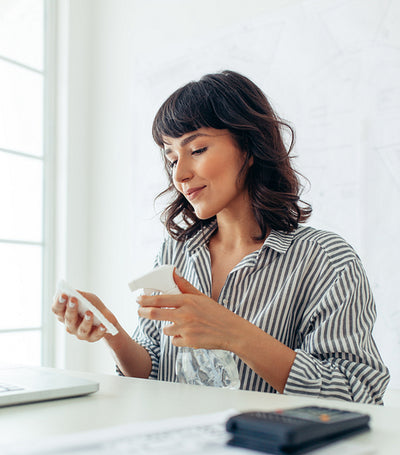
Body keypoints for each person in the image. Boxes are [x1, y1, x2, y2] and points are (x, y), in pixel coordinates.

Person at [52, 70, 390, 404]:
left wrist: (233, 333)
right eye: (171, 158)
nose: (180, 174)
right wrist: (113, 333)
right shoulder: (176, 252)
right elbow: (156, 373)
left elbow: (357, 395)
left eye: (197, 149)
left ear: (250, 146)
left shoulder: (326, 260)